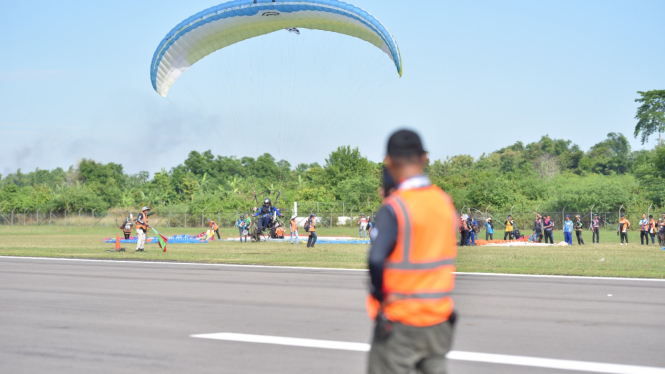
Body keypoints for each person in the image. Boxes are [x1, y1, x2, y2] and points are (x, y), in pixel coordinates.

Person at [367, 129, 456, 374]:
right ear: (424, 158)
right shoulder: (444, 202)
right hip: (438, 319)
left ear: (388, 161)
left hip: (402, 319)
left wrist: (380, 297)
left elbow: (376, 259)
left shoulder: (395, 206)